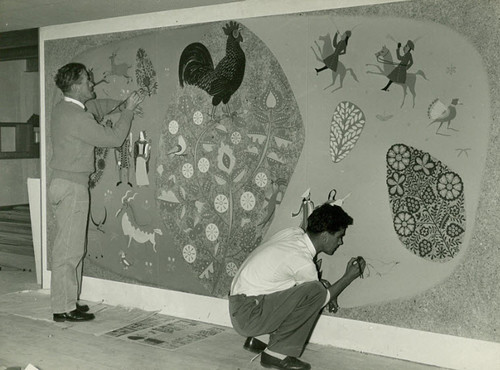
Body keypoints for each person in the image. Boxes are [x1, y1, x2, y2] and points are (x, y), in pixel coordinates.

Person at [49, 62, 143, 322]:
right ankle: (62, 308)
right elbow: (113, 139)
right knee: (69, 251)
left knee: (72, 247)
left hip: (64, 183)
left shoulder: (65, 109)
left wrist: (121, 104)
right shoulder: (77, 117)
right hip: (72, 187)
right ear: (77, 86)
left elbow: (95, 107)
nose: (92, 83)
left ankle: (69, 301)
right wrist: (130, 112)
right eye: (87, 81)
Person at [229, 203, 365, 370]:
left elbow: (288, 281)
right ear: (324, 236)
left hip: (242, 305)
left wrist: (323, 286)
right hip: (248, 316)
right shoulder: (303, 262)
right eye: (338, 236)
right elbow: (318, 298)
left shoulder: (293, 233)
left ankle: (260, 339)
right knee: (315, 291)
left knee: (311, 288)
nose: (341, 242)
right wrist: (348, 277)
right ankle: (276, 355)